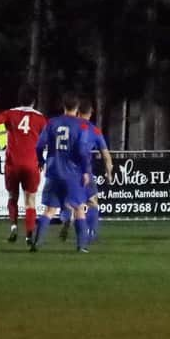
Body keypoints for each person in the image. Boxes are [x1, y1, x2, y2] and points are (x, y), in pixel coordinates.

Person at [0, 84, 47, 245]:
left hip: (13, 165)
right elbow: (46, 140)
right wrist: (42, 159)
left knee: (12, 197)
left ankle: (14, 227)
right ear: (34, 101)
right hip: (31, 164)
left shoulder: (10, 114)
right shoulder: (40, 118)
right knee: (30, 200)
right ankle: (29, 235)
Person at [33, 91, 91, 253]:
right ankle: (81, 246)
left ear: (64, 106)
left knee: (49, 210)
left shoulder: (52, 123)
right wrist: (85, 171)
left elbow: (38, 145)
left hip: (53, 171)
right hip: (72, 173)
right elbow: (81, 150)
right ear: (77, 108)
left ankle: (37, 243)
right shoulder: (81, 125)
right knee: (79, 207)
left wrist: (41, 161)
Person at [59, 98, 113, 243]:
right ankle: (90, 233)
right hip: (84, 171)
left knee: (70, 202)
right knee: (92, 202)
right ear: (90, 113)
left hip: (64, 170)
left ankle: (67, 218)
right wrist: (109, 174)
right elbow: (106, 156)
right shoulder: (94, 130)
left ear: (78, 111)